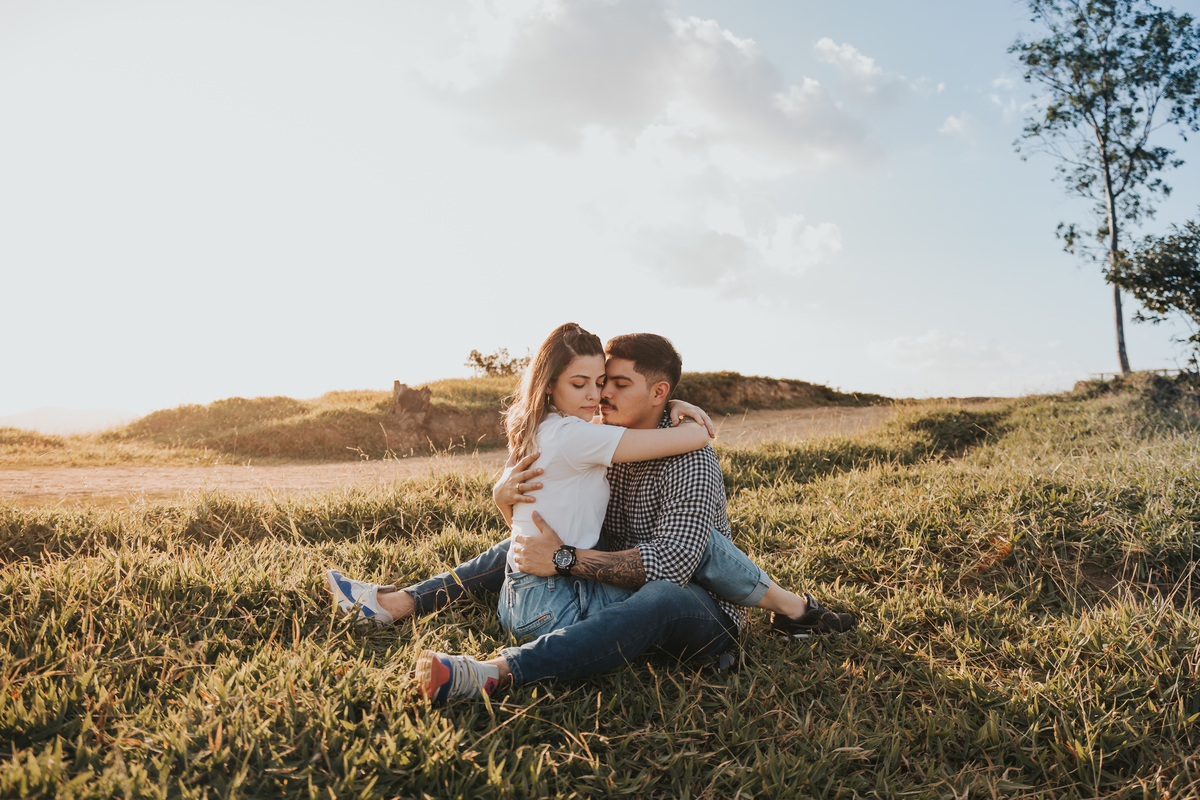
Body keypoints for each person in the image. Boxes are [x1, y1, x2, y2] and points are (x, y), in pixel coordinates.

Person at [328, 330, 856, 702]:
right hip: (607, 576)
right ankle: (399, 603)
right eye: (598, 381)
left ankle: (498, 672)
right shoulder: (603, 440)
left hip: (703, 611)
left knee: (663, 591)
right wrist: (503, 495)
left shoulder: (691, 463)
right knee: (520, 548)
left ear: (659, 393)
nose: (601, 393)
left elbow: (672, 563)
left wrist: (561, 558)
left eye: (616, 384)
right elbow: (549, 507)